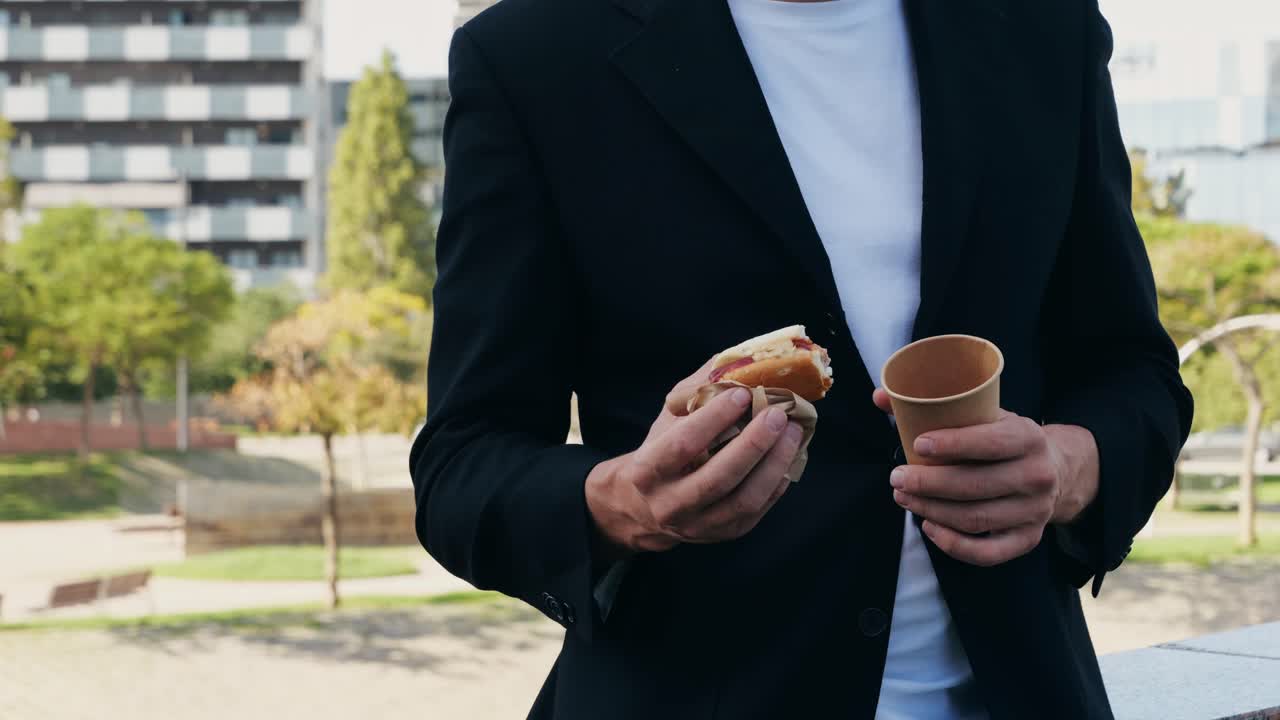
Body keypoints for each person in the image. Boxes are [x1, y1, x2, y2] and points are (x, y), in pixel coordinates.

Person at [409, 0, 1195, 717]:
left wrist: (1069, 469)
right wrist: (623, 502)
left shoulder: (1044, 28)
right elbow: (463, 464)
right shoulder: (533, 55)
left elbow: (1135, 372)